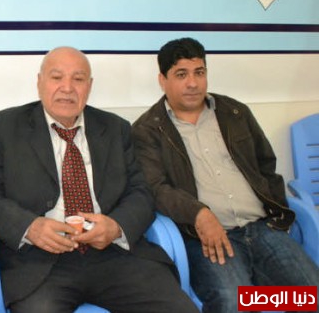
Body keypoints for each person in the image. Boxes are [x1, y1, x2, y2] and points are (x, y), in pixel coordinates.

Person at [0, 46, 198, 313]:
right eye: (57, 77)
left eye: (78, 79)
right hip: (40, 263)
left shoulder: (116, 128)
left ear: (89, 86)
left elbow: (141, 192)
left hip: (115, 255)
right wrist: (30, 227)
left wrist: (116, 227)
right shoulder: (4, 127)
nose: (67, 88)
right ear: (39, 82)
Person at [132, 37, 319, 313]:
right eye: (181, 74)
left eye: (199, 72)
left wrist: (275, 212)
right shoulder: (147, 130)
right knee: (233, 302)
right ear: (163, 80)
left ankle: (260, 296)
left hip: (261, 227)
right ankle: (255, 296)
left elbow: (266, 164)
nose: (193, 83)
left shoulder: (235, 112)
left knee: (310, 295)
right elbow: (156, 188)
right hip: (205, 237)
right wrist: (199, 214)